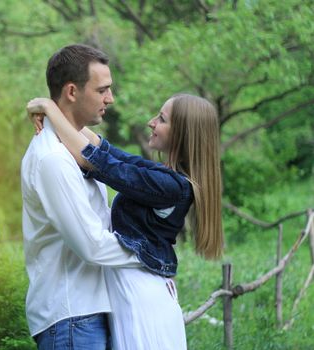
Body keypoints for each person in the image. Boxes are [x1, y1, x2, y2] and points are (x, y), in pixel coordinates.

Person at [27, 93, 224, 350]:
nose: (151, 122)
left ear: (183, 134)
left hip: (142, 301)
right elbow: (107, 152)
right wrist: (59, 113)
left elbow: (99, 162)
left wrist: (50, 109)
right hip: (135, 292)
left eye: (162, 119)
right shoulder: (165, 175)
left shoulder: (171, 187)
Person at [21, 44, 142, 349]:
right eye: (102, 90)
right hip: (71, 317)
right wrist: (151, 254)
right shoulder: (52, 158)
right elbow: (92, 245)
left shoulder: (77, 150)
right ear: (72, 91)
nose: (110, 99)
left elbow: (117, 162)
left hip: (88, 312)